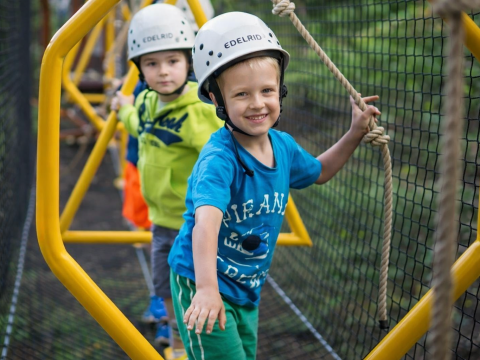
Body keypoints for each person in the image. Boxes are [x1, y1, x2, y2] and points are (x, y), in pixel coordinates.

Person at [167, 11, 382, 360]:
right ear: (216, 98)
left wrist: (355, 132)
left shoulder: (282, 146)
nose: (257, 103)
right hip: (201, 280)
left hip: (246, 289)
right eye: (241, 94)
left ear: (280, 89)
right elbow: (205, 224)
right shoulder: (219, 160)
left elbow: (321, 171)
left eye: (267, 90)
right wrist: (207, 289)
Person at [111, 4, 222, 359]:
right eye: (152, 63)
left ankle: (203, 345)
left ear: (189, 62)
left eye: (172, 61)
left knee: (201, 291)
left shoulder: (199, 112)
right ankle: (176, 343)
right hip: (161, 224)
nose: (163, 72)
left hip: (197, 226)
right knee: (165, 290)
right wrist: (122, 107)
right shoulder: (145, 103)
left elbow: (227, 155)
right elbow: (136, 125)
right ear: (140, 69)